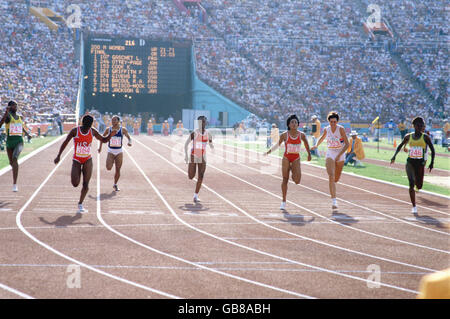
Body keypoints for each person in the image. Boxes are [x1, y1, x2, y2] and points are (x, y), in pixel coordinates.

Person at [54, 115, 117, 213]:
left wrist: (110, 135)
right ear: (86, 123)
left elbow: (103, 140)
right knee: (75, 183)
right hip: (77, 159)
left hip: (88, 159)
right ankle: (80, 198)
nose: (89, 126)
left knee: (86, 184)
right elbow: (65, 142)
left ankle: (80, 204)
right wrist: (58, 155)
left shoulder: (92, 131)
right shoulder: (75, 131)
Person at [265, 114, 311, 210]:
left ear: (298, 124)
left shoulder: (301, 135)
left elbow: (306, 144)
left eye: (295, 122)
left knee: (297, 181)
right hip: (286, 158)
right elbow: (277, 145)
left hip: (296, 158)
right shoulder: (284, 135)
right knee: (285, 179)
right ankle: (283, 201)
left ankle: (292, 170)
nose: (294, 124)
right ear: (289, 124)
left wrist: (309, 154)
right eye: (292, 122)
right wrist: (268, 152)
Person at [391, 116, 435, 214]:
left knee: (419, 186)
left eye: (422, 125)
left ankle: (416, 185)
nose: (420, 127)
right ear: (414, 126)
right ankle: (414, 206)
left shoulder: (425, 137)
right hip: (410, 162)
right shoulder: (408, 136)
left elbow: (432, 149)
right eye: (418, 125)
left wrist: (432, 162)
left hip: (420, 163)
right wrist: (394, 156)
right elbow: (400, 145)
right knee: (411, 184)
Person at [311, 111, 349, 210]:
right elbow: (322, 138)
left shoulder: (341, 129)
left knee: (336, 178)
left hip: (340, 152)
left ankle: (334, 194)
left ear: (337, 122)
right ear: (329, 121)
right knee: (331, 176)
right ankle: (334, 201)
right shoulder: (326, 129)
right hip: (330, 152)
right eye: (331, 122)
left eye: (334, 122)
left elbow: (347, 144)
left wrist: (339, 155)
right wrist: (316, 145)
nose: (333, 124)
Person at [0, 101, 33, 192]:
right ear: (10, 107)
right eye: (14, 106)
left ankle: (14, 184)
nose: (16, 107)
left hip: (19, 141)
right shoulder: (7, 117)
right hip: (9, 142)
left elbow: (20, 127)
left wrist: (27, 134)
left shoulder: (19, 117)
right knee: (11, 163)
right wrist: (5, 113)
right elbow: (0, 124)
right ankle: (15, 168)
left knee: (15, 158)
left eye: (16, 106)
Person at [98, 115, 132, 192]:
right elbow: (102, 138)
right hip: (111, 151)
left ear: (118, 121)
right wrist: (100, 148)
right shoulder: (108, 129)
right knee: (108, 167)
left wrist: (130, 142)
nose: (113, 122)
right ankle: (111, 161)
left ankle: (115, 184)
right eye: (112, 120)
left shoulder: (123, 130)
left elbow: (129, 137)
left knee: (118, 169)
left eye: (114, 120)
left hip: (119, 151)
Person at [184, 116, 213, 203]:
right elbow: (186, 144)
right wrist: (186, 156)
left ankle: (195, 196)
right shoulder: (194, 133)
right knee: (191, 176)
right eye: (201, 122)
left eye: (204, 122)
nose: (203, 123)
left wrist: (211, 144)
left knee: (201, 176)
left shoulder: (208, 134)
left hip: (202, 157)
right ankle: (191, 172)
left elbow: (211, 144)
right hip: (194, 156)